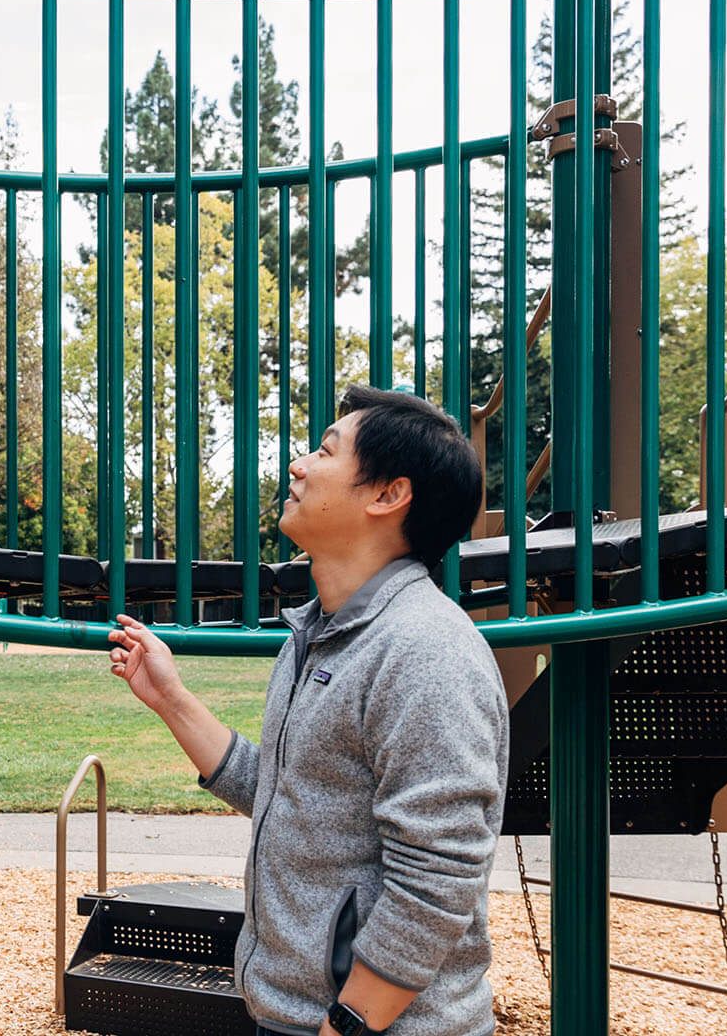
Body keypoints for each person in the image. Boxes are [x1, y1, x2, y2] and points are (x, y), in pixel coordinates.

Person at [108, 386, 508, 1036]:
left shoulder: (425, 648)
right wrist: (169, 698)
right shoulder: (322, 632)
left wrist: (345, 1025)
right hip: (295, 1015)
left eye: (325, 450)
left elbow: (438, 877)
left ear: (387, 495)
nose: (298, 464)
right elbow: (290, 795)